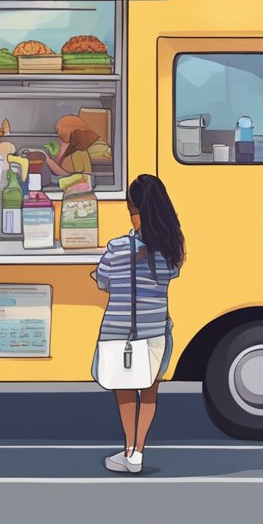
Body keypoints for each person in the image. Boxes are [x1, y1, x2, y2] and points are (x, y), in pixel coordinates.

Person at [93, 173, 184, 475]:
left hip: (117, 332)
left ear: (133, 209)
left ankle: (128, 447)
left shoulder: (117, 248)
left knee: (124, 391)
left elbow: (103, 281)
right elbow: (170, 277)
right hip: (154, 330)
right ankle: (137, 453)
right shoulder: (173, 249)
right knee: (149, 392)